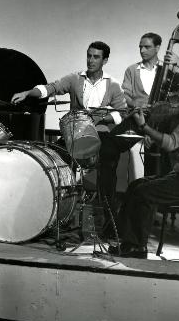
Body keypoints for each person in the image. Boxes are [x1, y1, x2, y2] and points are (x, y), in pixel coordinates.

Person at [109, 73, 179, 258]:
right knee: (136, 185)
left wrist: (144, 127)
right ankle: (125, 241)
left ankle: (137, 247)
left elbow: (171, 143)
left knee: (145, 192)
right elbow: (172, 139)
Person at [11, 41, 127, 208]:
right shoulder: (74, 78)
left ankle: (107, 211)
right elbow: (51, 88)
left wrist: (102, 118)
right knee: (56, 157)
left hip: (100, 133)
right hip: (74, 132)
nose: (91, 60)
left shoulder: (113, 85)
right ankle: (63, 207)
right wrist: (28, 92)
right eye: (89, 56)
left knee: (109, 161)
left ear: (105, 60)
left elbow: (121, 113)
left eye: (96, 57)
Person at [121, 32, 179, 177]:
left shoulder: (168, 69)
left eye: (147, 47)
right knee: (110, 146)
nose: (142, 50)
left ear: (157, 48)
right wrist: (136, 104)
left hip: (161, 122)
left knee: (163, 153)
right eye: (140, 47)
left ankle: (160, 188)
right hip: (138, 117)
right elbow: (125, 96)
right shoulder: (132, 70)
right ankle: (107, 197)